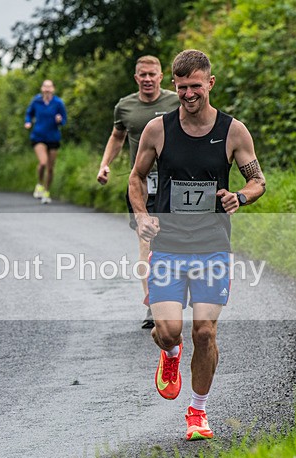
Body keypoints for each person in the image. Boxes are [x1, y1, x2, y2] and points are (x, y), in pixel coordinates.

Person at [128, 49, 266, 441]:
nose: (189, 94)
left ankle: (197, 413)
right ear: (174, 85)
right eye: (183, 86)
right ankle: (169, 354)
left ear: (210, 83)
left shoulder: (233, 131)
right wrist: (142, 216)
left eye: (196, 86)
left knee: (205, 333)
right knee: (170, 331)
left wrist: (240, 196)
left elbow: (258, 180)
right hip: (169, 247)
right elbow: (135, 178)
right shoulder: (159, 129)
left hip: (212, 248)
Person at [96, 55, 179, 330]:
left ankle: (175, 294)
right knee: (147, 243)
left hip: (176, 183)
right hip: (140, 184)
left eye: (152, 74)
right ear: (136, 78)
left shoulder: (175, 102)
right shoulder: (125, 107)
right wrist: (105, 164)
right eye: (142, 74)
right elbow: (117, 137)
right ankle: (155, 305)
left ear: (160, 76)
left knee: (177, 242)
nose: (147, 79)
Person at [24, 80, 67, 205]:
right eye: (45, 87)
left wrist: (59, 120)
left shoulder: (58, 103)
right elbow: (29, 113)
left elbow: (64, 119)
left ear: (53, 89)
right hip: (38, 136)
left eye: (49, 87)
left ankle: (47, 192)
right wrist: (28, 122)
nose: (47, 89)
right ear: (42, 88)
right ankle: (39, 184)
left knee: (50, 168)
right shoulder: (36, 101)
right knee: (43, 162)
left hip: (53, 137)